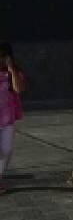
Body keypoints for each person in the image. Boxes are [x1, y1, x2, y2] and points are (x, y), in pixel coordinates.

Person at [0, 42, 28, 195]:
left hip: (6, 119)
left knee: (7, 150)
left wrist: (11, 70)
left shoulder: (13, 73)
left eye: (4, 56)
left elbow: (19, 89)